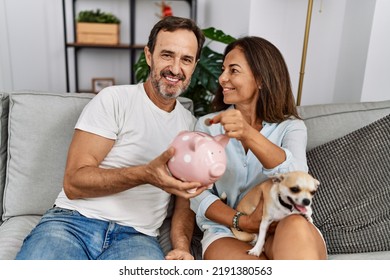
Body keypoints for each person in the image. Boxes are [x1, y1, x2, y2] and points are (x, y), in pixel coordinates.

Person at [15, 16, 206, 260]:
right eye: (167, 55)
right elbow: (74, 183)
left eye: (186, 60)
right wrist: (144, 174)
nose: (176, 68)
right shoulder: (114, 100)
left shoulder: (190, 127)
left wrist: (180, 246)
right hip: (73, 223)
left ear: (194, 65)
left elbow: (184, 202)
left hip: (137, 238)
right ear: (149, 56)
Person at [190, 36, 327, 260]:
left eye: (233, 70)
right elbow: (196, 194)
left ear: (261, 79)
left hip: (283, 223)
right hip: (227, 231)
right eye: (223, 69)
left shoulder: (291, 127)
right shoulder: (208, 126)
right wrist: (242, 221)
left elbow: (299, 178)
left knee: (295, 229)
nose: (222, 78)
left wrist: (248, 133)